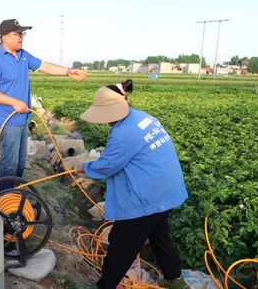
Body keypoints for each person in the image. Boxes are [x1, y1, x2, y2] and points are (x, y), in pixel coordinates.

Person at [76, 80, 190, 289]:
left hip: (148, 194)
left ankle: (106, 285)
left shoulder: (123, 133)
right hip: (165, 188)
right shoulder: (143, 118)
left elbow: (108, 166)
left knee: (122, 244)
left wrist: (84, 167)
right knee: (158, 234)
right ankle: (174, 279)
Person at [0, 18, 88, 189]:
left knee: (20, 162)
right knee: (9, 163)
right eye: (16, 34)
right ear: (3, 37)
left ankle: (15, 194)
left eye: (22, 34)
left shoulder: (23, 55)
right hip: (7, 120)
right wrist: (14, 102)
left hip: (23, 118)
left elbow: (44, 66)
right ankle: (5, 200)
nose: (21, 37)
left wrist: (68, 71)